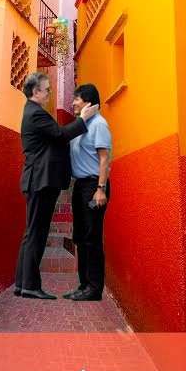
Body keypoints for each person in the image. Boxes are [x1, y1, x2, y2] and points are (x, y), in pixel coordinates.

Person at [14, 72, 98, 300]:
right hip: (40, 181)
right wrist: (83, 119)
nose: (49, 93)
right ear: (36, 92)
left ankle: (22, 283)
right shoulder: (35, 113)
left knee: (32, 232)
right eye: (47, 89)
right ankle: (30, 285)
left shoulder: (32, 112)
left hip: (38, 179)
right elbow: (61, 134)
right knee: (37, 233)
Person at [63, 84, 111, 302]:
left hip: (94, 186)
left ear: (88, 102)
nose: (73, 102)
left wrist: (101, 189)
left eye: (77, 99)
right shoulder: (82, 123)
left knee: (92, 239)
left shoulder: (99, 124)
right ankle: (84, 285)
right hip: (81, 186)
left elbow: (104, 159)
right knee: (80, 238)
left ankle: (94, 288)